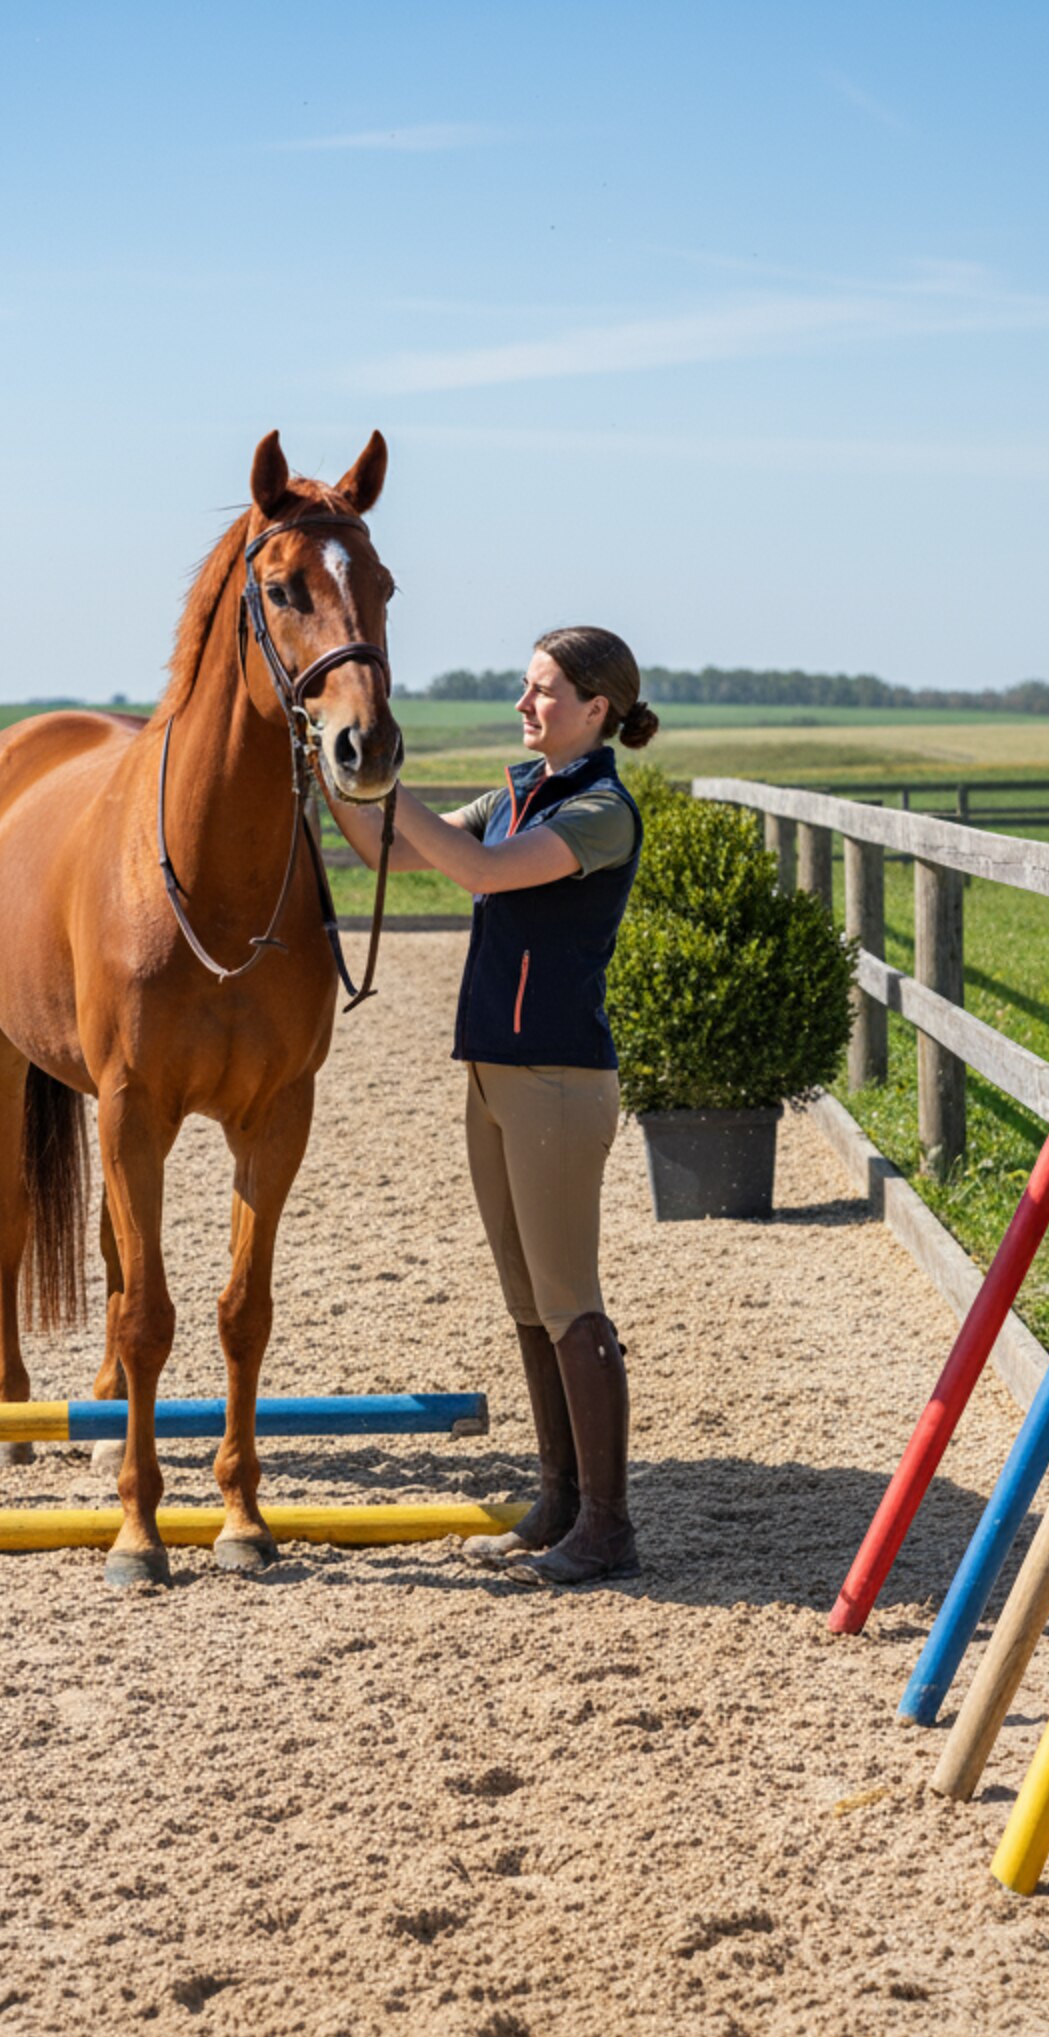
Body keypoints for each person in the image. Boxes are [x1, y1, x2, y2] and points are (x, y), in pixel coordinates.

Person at [327, 626, 660, 1587]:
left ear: (597, 710)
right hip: (494, 1074)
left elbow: (474, 872)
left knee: (570, 1304)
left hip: (558, 1081)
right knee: (528, 1300)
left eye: (544, 691)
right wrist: (332, 771)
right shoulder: (517, 793)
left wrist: (384, 782)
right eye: (526, 687)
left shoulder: (601, 812)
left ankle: (608, 1528)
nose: (526, 705)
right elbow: (391, 849)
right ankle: (557, 1500)